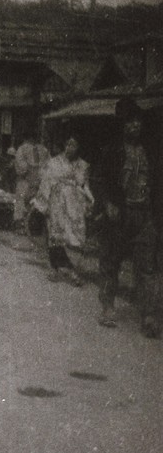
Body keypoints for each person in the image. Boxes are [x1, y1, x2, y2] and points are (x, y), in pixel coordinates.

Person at [91, 98, 160, 338]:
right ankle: (108, 307)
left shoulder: (150, 152)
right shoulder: (112, 151)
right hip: (119, 215)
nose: (135, 126)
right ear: (122, 125)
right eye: (130, 123)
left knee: (146, 268)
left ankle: (149, 316)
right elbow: (97, 179)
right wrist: (107, 203)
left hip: (145, 216)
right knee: (111, 262)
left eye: (138, 122)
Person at [31, 136, 92, 286]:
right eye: (68, 144)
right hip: (57, 202)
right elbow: (46, 183)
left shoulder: (83, 165)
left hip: (75, 205)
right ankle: (55, 268)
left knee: (75, 236)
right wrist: (41, 204)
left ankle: (73, 271)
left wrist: (90, 201)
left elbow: (85, 186)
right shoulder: (54, 163)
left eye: (74, 145)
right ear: (64, 145)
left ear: (79, 147)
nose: (70, 148)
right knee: (55, 234)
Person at [13, 130, 50, 231]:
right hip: (40, 181)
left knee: (21, 200)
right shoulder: (44, 150)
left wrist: (30, 169)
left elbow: (21, 168)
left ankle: (21, 226)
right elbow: (48, 166)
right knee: (38, 203)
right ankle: (35, 226)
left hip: (26, 180)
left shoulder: (21, 149)